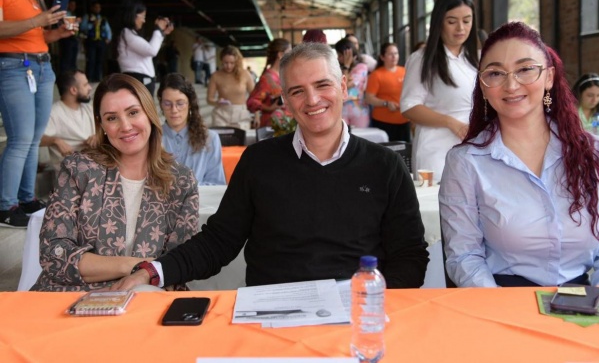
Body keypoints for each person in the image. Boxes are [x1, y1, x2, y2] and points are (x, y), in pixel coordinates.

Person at [111, 42, 429, 291]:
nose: (312, 100)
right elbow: (218, 242)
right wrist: (153, 271)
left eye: (323, 85)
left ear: (343, 87)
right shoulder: (259, 162)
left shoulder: (385, 166)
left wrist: (375, 300)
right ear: (286, 103)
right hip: (272, 308)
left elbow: (410, 255)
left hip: (355, 310)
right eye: (297, 92)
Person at [439, 21, 599, 287]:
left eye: (525, 69)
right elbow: (464, 256)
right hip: (502, 302)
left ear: (549, 77)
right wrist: (502, 315)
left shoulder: (596, 153)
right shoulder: (466, 162)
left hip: (586, 305)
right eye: (495, 73)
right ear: (482, 85)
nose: (511, 85)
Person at [31, 74, 199, 291]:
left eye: (133, 112)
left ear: (150, 113)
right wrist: (134, 266)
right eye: (112, 118)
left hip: (147, 302)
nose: (125, 126)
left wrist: (146, 276)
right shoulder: (78, 169)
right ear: (101, 125)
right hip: (70, 296)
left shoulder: (181, 180)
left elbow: (178, 264)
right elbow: (53, 253)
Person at [0, 0, 74, 227]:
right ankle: (6, 205)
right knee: (20, 138)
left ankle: (26, 198)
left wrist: (58, 34)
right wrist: (36, 21)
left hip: (42, 65)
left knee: (33, 138)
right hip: (12, 66)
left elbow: (38, 35)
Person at [400, 0, 479, 182]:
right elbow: (409, 106)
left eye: (467, 21)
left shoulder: (475, 59)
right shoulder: (422, 59)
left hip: (474, 147)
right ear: (439, 23)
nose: (460, 28)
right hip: (437, 150)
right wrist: (451, 123)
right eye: (452, 21)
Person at [157, 73, 226, 186]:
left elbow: (217, 183)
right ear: (160, 104)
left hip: (201, 202)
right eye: (167, 103)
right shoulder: (152, 137)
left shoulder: (209, 138)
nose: (174, 110)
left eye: (180, 103)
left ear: (189, 104)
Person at [113, 0, 174, 96]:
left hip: (140, 79)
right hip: (138, 79)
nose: (144, 21)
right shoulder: (127, 33)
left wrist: (162, 33)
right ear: (133, 15)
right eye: (143, 16)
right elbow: (152, 50)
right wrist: (158, 30)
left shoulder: (128, 34)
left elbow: (150, 49)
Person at [39, 70, 96, 172]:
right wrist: (55, 141)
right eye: (85, 85)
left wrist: (99, 136)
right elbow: (36, 139)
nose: (90, 88)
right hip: (71, 174)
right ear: (73, 90)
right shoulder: (54, 112)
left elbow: (106, 130)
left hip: (95, 166)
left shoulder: (89, 107)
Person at [365, 42, 410, 141]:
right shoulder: (376, 75)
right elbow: (369, 98)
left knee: (405, 152)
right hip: (384, 121)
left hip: (404, 120)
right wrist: (386, 103)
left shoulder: (405, 71)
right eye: (390, 54)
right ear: (382, 57)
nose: (394, 57)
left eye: (396, 53)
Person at [246, 38, 291, 128]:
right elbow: (251, 102)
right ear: (280, 54)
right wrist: (269, 108)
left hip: (288, 125)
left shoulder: (286, 74)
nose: (292, 56)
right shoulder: (267, 78)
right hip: (273, 128)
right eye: (289, 52)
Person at [207, 45, 254, 128]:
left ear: (237, 61)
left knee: (241, 139)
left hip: (241, 113)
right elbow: (209, 99)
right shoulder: (215, 76)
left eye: (232, 63)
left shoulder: (245, 74)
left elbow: (255, 97)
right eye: (225, 63)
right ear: (221, 61)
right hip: (221, 113)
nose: (228, 66)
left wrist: (257, 116)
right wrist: (217, 101)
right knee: (221, 139)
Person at [335, 37, 369, 128]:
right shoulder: (339, 68)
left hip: (358, 110)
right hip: (342, 109)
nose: (338, 58)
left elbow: (345, 85)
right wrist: (346, 67)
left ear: (348, 53)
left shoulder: (361, 67)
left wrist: (346, 65)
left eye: (340, 55)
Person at [79, 1, 112, 82]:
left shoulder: (103, 18)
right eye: (96, 7)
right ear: (92, 8)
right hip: (91, 42)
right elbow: (82, 28)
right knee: (91, 60)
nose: (98, 9)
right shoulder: (87, 17)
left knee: (100, 60)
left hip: (101, 42)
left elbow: (108, 30)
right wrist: (92, 25)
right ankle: (89, 78)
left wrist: (108, 38)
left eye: (99, 7)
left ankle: (98, 78)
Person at [58, 0, 80, 73]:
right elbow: (68, 26)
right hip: (66, 38)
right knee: (66, 58)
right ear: (67, 5)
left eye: (74, 5)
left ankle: (72, 76)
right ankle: (64, 76)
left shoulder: (74, 13)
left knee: (73, 58)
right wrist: (76, 21)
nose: (73, 7)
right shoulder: (64, 14)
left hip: (74, 37)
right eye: (71, 5)